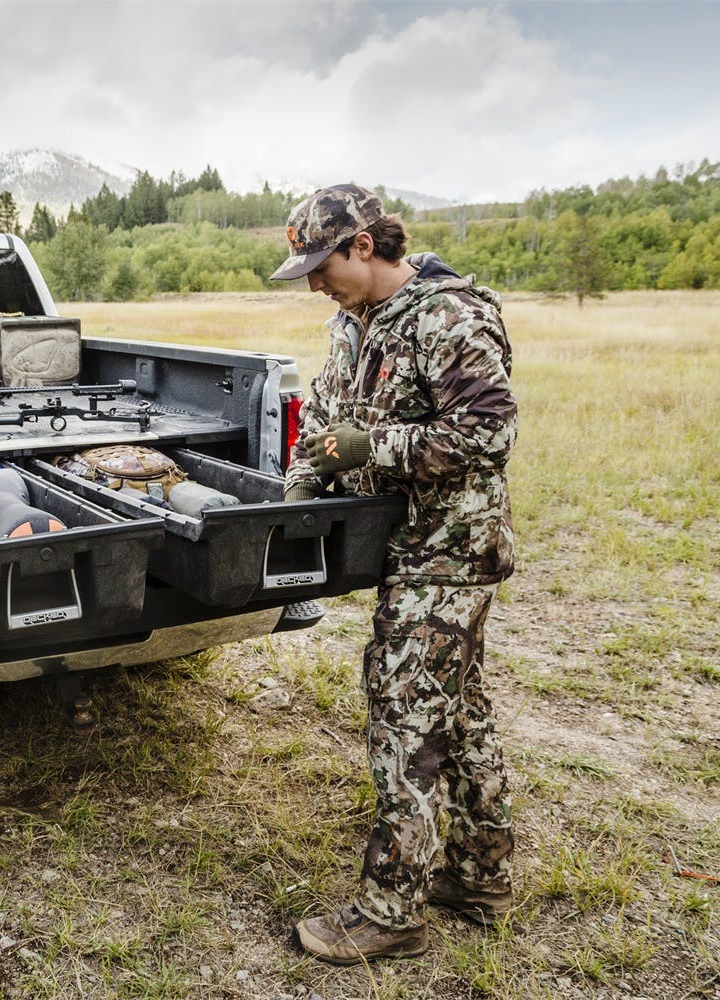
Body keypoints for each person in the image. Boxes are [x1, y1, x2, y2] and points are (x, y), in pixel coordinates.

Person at [271, 184, 518, 964]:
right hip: (402, 545)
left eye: (321, 264)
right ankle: (478, 875)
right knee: (460, 712)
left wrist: (370, 451)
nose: (314, 282)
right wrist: (303, 476)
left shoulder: (450, 315)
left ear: (365, 246)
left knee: (405, 718)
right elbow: (328, 410)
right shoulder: (353, 322)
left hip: (448, 552)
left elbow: (487, 431)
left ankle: (391, 908)